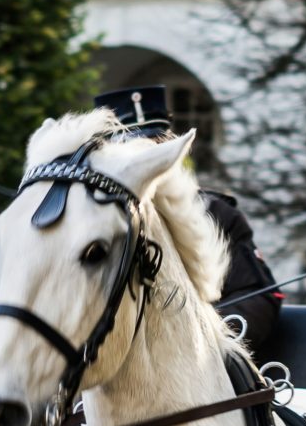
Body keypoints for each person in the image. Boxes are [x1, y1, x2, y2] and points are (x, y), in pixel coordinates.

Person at [92, 87, 283, 362]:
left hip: (202, 369)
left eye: (157, 150)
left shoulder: (214, 213)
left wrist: (201, 337)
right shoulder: (95, 222)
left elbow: (259, 297)